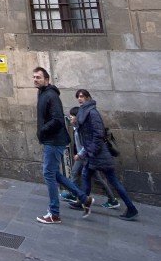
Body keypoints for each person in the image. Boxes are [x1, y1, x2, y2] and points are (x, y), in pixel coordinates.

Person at [33, 67, 93, 224]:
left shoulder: (51, 96)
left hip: (54, 140)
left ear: (46, 79)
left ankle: (54, 213)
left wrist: (42, 131)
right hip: (51, 140)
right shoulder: (42, 93)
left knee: (48, 174)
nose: (35, 79)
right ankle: (84, 198)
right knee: (54, 173)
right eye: (34, 77)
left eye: (38, 77)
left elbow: (58, 119)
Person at [75, 88, 138, 221]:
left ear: (88, 97)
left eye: (82, 96)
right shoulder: (84, 112)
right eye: (78, 97)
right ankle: (83, 202)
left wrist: (90, 151)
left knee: (113, 180)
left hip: (98, 154)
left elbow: (98, 134)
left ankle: (131, 208)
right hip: (92, 154)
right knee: (86, 175)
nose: (80, 99)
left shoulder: (92, 113)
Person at [62, 106, 119, 209]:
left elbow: (86, 145)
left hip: (86, 157)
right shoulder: (76, 128)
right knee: (75, 173)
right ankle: (75, 194)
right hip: (83, 156)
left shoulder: (82, 129)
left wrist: (80, 154)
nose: (70, 118)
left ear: (77, 117)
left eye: (72, 117)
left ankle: (112, 199)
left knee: (97, 179)